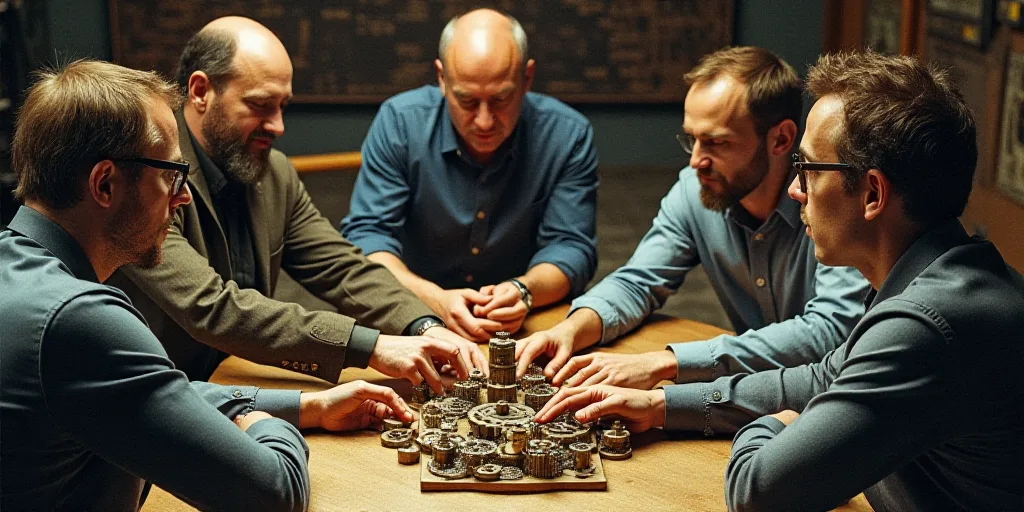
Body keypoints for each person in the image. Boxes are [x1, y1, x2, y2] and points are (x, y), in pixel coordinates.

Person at [536, 51, 1024, 511]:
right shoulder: (943, 279)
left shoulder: (924, 326)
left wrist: (781, 423)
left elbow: (757, 490)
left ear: (873, 192)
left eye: (808, 168)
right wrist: (662, 404)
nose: (795, 189)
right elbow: (821, 378)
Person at [0, 59, 415, 511]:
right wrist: (262, 423)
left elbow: (153, 392)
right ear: (104, 184)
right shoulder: (80, 319)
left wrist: (306, 406)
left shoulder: (21, 272)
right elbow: (274, 494)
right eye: (170, 176)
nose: (182, 197)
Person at [108, 17, 487, 391]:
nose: (278, 125)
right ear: (201, 91)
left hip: (244, 387)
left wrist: (423, 325)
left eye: (283, 106)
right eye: (260, 105)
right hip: (157, 397)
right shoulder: (149, 176)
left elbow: (342, 268)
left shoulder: (274, 172)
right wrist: (371, 347)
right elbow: (210, 307)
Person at [515, 46, 868, 390]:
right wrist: (570, 330)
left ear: (781, 139)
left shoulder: (833, 202)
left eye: (716, 143)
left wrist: (668, 362)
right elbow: (638, 282)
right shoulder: (695, 191)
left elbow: (830, 330)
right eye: (692, 140)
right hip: (760, 388)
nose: (696, 161)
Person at [340, 9, 599, 341]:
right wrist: (432, 299)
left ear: (527, 78)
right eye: (467, 100)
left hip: (523, 326)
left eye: (501, 98)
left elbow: (571, 246)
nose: (484, 121)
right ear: (441, 79)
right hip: (411, 317)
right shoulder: (400, 123)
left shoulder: (566, 135)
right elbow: (367, 237)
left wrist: (524, 290)